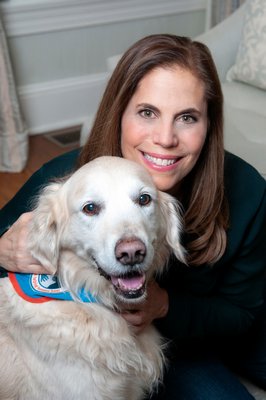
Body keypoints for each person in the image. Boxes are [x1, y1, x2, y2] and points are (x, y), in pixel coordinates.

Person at [0, 34, 266, 399]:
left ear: (209, 124)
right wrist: (2, 248)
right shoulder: (68, 180)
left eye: (187, 117)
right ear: (119, 113)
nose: (165, 138)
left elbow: (243, 315)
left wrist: (164, 305)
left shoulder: (247, 190)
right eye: (147, 112)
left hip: (189, 337)